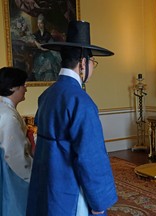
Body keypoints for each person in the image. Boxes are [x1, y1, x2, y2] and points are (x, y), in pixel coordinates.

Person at [26, 20, 117, 216]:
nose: (93, 67)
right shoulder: (81, 102)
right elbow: (91, 157)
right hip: (69, 186)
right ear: (83, 63)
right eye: (93, 62)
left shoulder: (47, 94)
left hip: (47, 180)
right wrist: (99, 202)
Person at [0, 67, 33, 215]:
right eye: (23, 84)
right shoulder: (8, 116)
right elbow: (15, 156)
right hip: (10, 174)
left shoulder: (5, 109)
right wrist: (33, 174)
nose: (26, 88)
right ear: (13, 87)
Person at [31, 13, 61, 81]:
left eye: (41, 23)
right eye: (38, 23)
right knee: (40, 61)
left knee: (49, 61)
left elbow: (50, 46)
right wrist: (37, 44)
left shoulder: (48, 34)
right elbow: (34, 43)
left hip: (48, 52)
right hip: (38, 53)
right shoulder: (35, 34)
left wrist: (42, 47)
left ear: (44, 24)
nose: (39, 25)